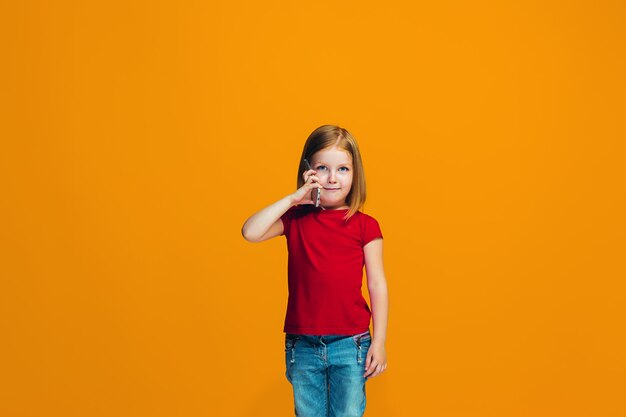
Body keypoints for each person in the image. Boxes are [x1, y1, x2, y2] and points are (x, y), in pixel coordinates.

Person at [241, 125, 389, 417]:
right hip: (303, 344)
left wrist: (380, 341)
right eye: (323, 168)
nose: (333, 178)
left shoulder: (365, 225)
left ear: (355, 173)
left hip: (351, 343)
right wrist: (294, 198)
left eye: (343, 169)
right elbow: (250, 232)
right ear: (309, 171)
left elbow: (377, 285)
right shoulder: (296, 218)